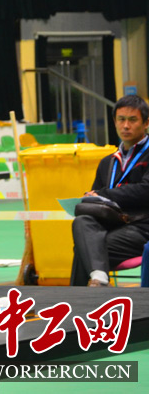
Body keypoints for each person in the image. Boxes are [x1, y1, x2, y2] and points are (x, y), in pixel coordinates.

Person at [70, 95, 149, 286]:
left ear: (146, 123)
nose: (126, 126)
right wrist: (90, 198)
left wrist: (103, 194)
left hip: (142, 227)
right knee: (82, 221)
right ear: (115, 122)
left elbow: (145, 190)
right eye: (121, 119)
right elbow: (96, 200)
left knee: (86, 248)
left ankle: (84, 295)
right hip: (112, 224)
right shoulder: (108, 162)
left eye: (133, 120)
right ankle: (98, 280)